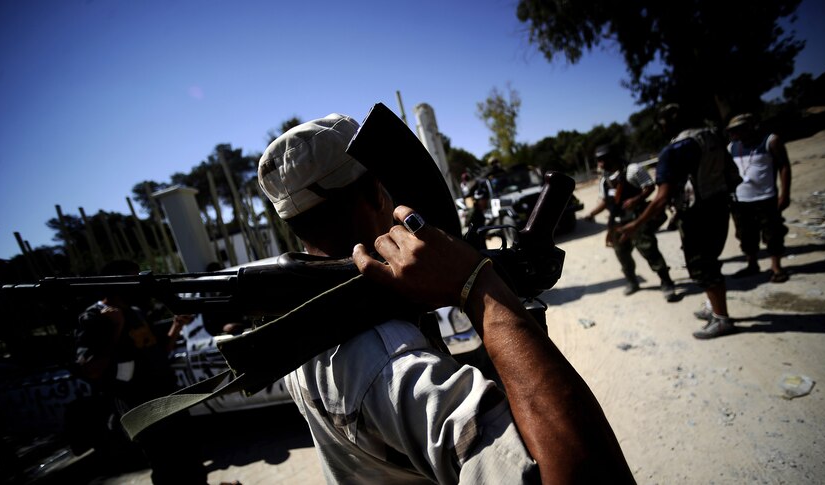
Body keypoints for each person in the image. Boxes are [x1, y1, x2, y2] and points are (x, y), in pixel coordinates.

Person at [257, 113, 634, 483]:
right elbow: (588, 472)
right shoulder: (396, 367)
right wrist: (479, 287)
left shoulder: (298, 328)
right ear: (377, 191)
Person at [73, 260, 209, 484]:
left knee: (189, 456)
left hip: (169, 398)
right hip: (141, 406)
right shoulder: (94, 318)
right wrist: (116, 327)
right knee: (166, 465)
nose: (140, 284)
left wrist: (177, 326)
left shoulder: (136, 312)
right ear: (116, 283)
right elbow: (92, 370)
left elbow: (158, 351)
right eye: (133, 278)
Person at [618, 104, 741, 339]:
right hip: (719, 207)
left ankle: (722, 319)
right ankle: (712, 306)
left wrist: (636, 224)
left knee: (703, 265)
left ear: (667, 124)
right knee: (711, 259)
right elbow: (733, 175)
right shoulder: (712, 137)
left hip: (697, 215)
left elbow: (661, 196)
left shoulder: (675, 149)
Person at [583, 144, 676, 300]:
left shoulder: (633, 170)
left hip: (637, 220)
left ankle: (666, 282)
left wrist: (636, 199)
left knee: (649, 251)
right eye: (598, 160)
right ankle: (632, 282)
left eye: (602, 159)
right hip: (617, 224)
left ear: (612, 157)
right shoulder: (604, 180)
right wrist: (591, 214)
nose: (600, 163)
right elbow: (605, 201)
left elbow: (649, 187)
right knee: (622, 255)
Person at [725, 113, 792, 283]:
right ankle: (752, 264)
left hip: (766, 197)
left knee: (773, 233)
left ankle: (776, 267)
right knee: (746, 234)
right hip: (740, 200)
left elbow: (784, 166)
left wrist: (785, 194)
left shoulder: (770, 141)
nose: (735, 134)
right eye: (732, 131)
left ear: (751, 127)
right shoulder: (732, 147)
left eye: (738, 130)